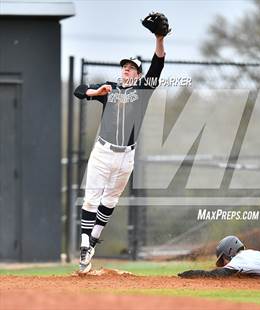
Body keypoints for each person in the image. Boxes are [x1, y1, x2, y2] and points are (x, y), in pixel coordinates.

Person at [73, 13, 170, 273]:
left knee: (111, 200)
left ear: (138, 74)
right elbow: (79, 90)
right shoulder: (110, 89)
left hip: (126, 157)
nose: (125, 70)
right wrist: (96, 92)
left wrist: (159, 38)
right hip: (103, 152)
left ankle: (92, 241)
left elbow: (158, 65)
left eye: (130, 68)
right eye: (124, 67)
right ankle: (84, 247)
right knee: (91, 199)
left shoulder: (143, 91)